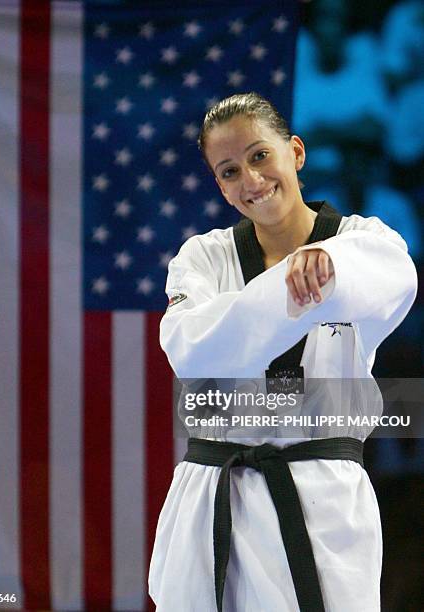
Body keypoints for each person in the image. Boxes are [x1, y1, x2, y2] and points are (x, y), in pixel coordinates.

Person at [148, 93, 417, 611]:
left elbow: (394, 276)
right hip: (213, 492)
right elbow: (191, 350)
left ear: (295, 151)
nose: (250, 180)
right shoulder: (203, 257)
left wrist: (328, 265)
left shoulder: (360, 243)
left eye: (259, 156)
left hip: (322, 499)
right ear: (219, 187)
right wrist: (291, 291)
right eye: (228, 171)